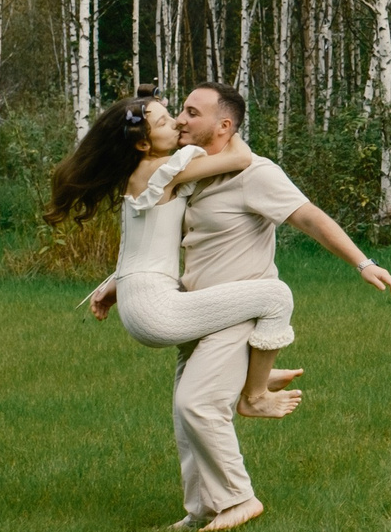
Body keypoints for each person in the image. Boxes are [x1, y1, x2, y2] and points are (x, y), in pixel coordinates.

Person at [91, 82, 391, 532]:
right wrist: (116, 284)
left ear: (224, 125)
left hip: (236, 309)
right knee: (185, 412)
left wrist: (362, 261)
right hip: (194, 308)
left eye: (191, 113)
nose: (179, 119)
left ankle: (238, 496)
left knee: (198, 404)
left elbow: (307, 215)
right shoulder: (192, 173)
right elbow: (155, 243)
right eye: (177, 111)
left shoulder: (254, 173)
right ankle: (201, 508)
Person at [48, 94, 299, 420]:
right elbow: (240, 158)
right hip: (156, 309)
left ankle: (252, 375)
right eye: (164, 122)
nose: (177, 122)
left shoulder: (141, 172)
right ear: (142, 145)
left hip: (141, 298)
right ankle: (255, 395)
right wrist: (227, 127)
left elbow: (147, 245)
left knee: (222, 315)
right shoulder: (164, 168)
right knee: (277, 297)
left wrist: (114, 286)